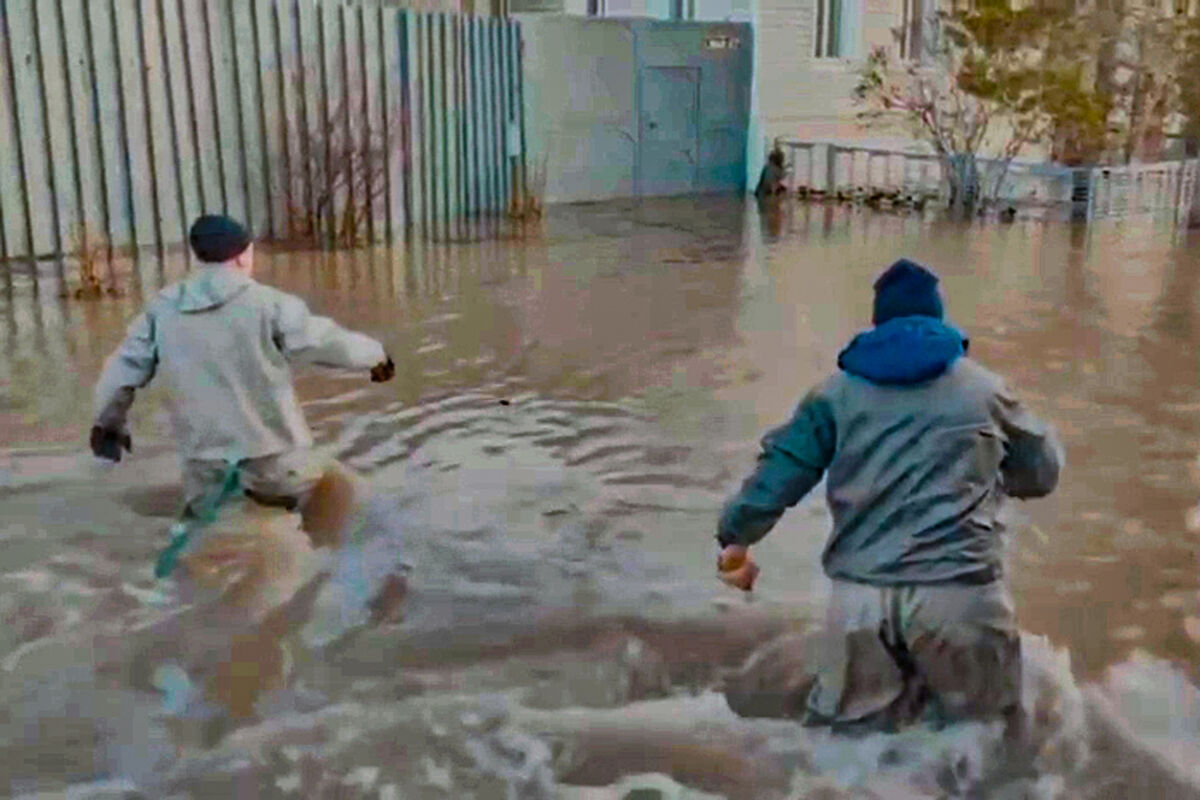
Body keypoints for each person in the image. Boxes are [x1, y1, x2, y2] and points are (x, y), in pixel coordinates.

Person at [716, 259, 1063, 737]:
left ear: (877, 322)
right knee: (985, 741)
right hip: (958, 596)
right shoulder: (985, 391)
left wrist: (735, 537)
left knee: (849, 749)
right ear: (939, 320)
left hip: (861, 601)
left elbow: (777, 477)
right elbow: (1043, 474)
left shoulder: (834, 395)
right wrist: (997, 478)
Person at [90, 214, 404, 617]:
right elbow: (330, 344)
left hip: (207, 474)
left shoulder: (161, 311)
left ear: (198, 257)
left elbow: (119, 376)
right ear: (243, 256)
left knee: (210, 541)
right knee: (328, 509)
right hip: (278, 468)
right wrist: (377, 356)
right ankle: (336, 588)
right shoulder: (270, 304)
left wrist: (108, 425)